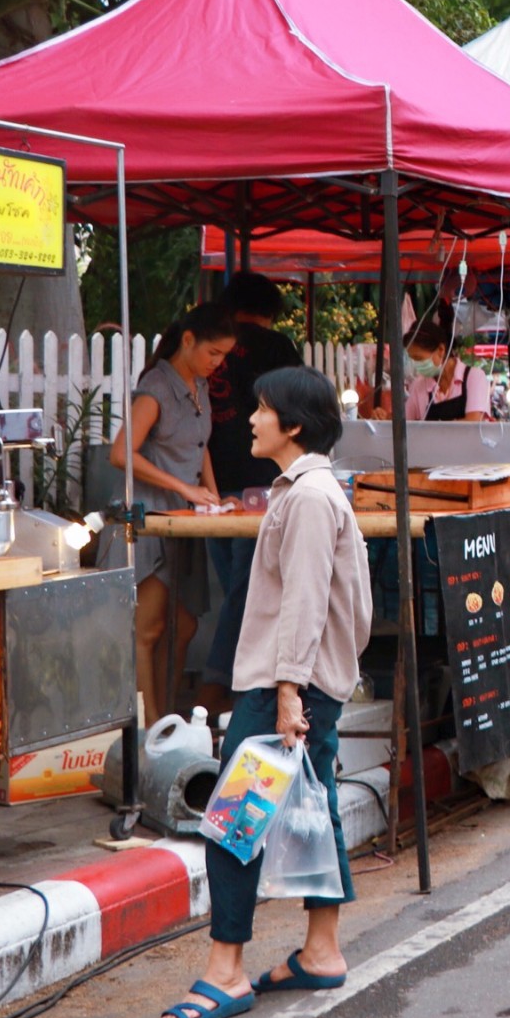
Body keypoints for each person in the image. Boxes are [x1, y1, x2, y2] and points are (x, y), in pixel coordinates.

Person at [149, 367, 371, 1018]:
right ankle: (322, 949)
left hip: (288, 682)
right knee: (314, 810)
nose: (249, 417)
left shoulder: (307, 497)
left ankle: (226, 970)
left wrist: (286, 691)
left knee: (233, 818)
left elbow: (304, 599)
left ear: (292, 424)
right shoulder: (313, 489)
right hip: (312, 681)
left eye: (261, 407)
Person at [109, 303, 237, 726]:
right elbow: (120, 452)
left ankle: (167, 719)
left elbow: (201, 451)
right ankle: (149, 728)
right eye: (213, 354)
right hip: (151, 523)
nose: (218, 364)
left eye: (224, 357)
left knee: (182, 628)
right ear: (188, 341)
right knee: (146, 630)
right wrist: (184, 488)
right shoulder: (157, 386)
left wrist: (214, 499)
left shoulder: (199, 386)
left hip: (185, 524)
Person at [201, 272, 303, 713]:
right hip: (260, 482)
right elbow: (297, 405)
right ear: (269, 310)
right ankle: (220, 689)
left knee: (236, 590)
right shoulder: (276, 347)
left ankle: (231, 691)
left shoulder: (212, 344)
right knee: (248, 592)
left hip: (208, 479)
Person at [394, 311, 489, 422]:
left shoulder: (474, 377)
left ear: (441, 350)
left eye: (419, 358)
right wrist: (385, 417)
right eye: (413, 359)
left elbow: (473, 422)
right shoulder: (418, 386)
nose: (416, 364)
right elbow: (404, 424)